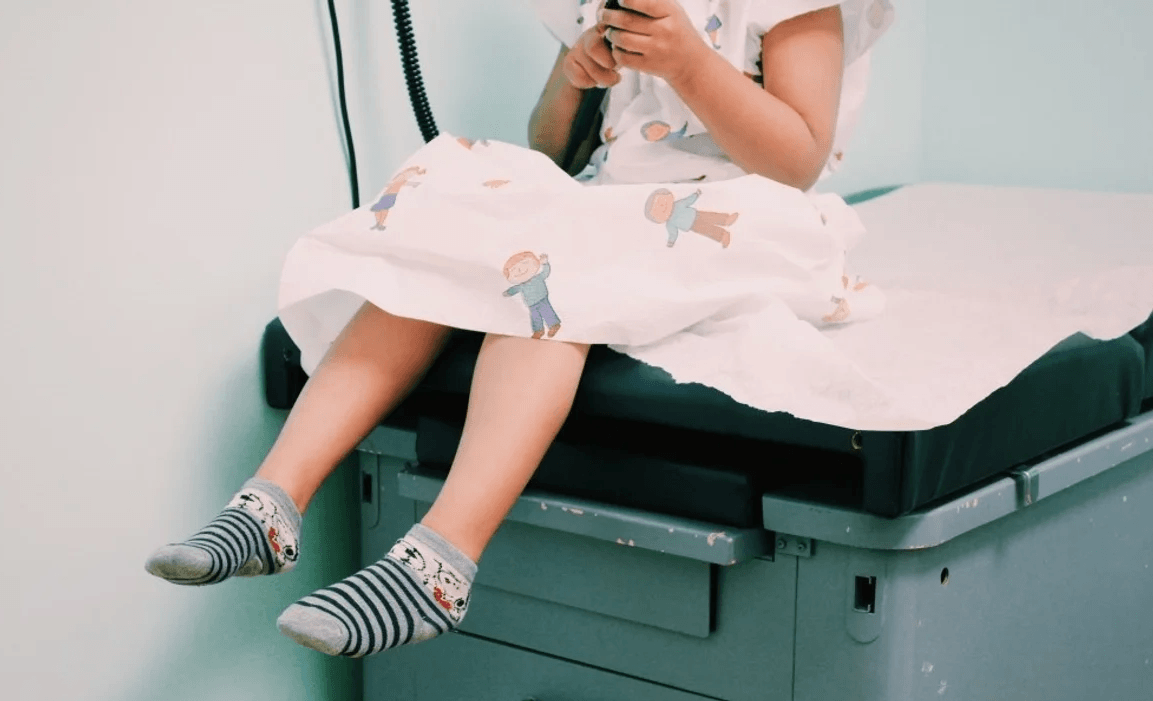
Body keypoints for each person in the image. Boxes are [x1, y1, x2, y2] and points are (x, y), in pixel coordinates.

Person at [146, 0, 893, 659]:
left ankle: (441, 564)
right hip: (616, 204)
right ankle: (270, 504)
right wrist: (576, 75)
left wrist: (690, 63)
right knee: (439, 257)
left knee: (549, 292)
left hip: (741, 217)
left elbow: (796, 157)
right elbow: (551, 149)